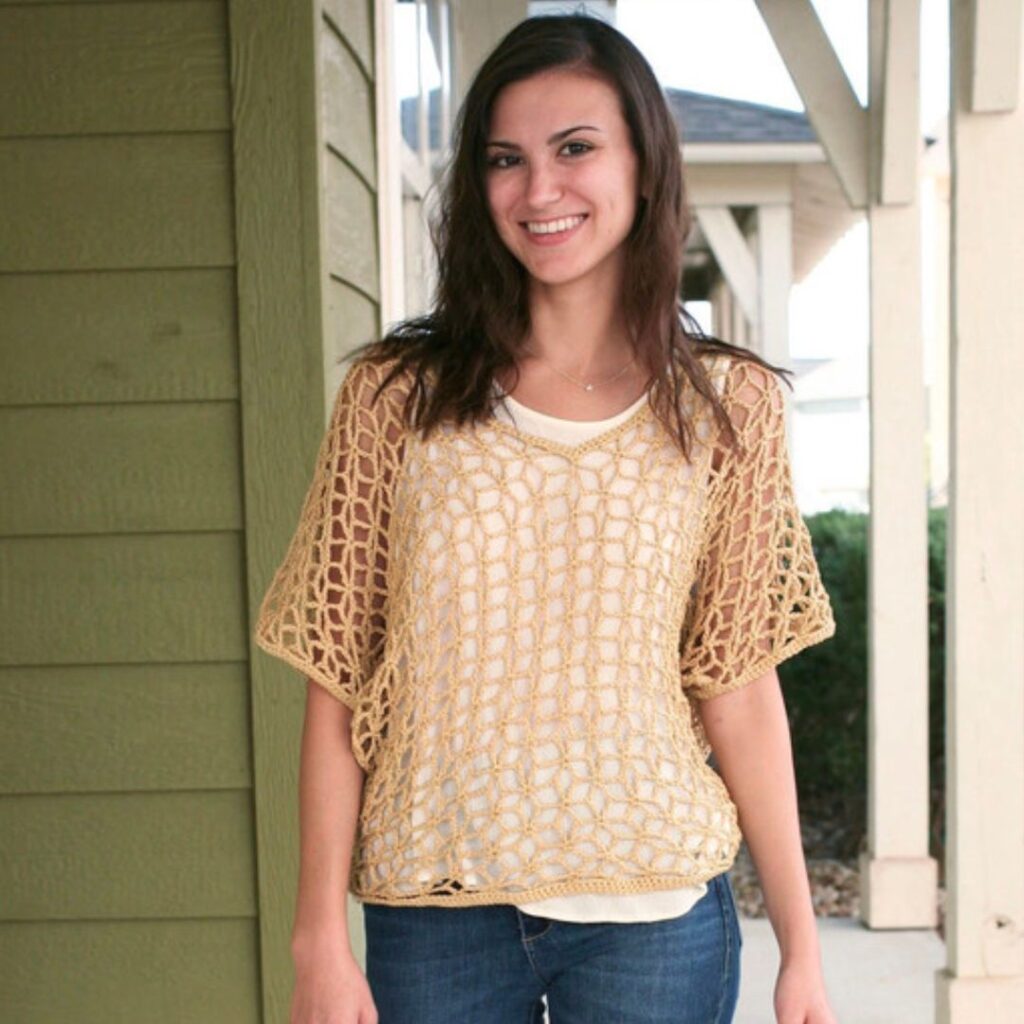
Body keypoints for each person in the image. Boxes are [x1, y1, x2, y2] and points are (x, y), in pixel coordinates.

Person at [254, 12, 839, 1024]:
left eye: (576, 149)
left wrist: (801, 946)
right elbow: (336, 681)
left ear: (643, 164)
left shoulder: (726, 408)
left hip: (655, 915)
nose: (540, 190)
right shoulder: (395, 398)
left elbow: (737, 684)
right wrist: (316, 936)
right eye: (505, 159)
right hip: (431, 915)